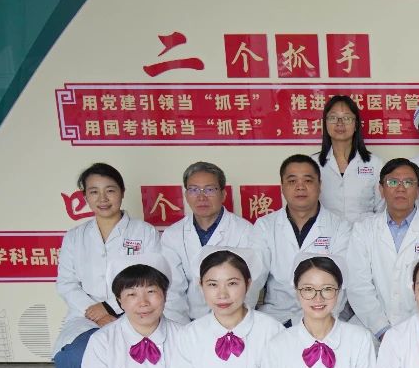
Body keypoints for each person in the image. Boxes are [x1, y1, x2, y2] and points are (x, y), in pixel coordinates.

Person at [44, 163, 160, 368]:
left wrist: (113, 308)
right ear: (85, 196)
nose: (103, 198)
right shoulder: (75, 236)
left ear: (122, 192)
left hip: (131, 314)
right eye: (94, 192)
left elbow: (150, 277)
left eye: (110, 190)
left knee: (102, 360)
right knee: (73, 356)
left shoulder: (144, 232)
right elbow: (66, 283)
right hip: (84, 315)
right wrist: (95, 311)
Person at [345, 158, 419, 337]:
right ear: (381, 189)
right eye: (393, 182)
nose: (401, 188)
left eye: (408, 182)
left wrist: (415, 330)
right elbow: (358, 285)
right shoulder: (363, 230)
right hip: (371, 331)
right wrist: (382, 330)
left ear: (418, 190)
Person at [253, 154, 351, 326]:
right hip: (276, 317)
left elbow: (342, 283)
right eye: (292, 181)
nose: (300, 187)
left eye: (308, 180)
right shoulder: (265, 226)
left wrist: (320, 322)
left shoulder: (340, 227)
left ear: (320, 185)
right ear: (282, 187)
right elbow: (253, 278)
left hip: (325, 316)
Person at [160, 161, 263, 325]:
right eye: (194, 190)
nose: (201, 197)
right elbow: (172, 290)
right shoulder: (173, 235)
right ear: (186, 195)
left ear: (223, 194)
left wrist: (229, 325)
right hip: (187, 324)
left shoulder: (245, 231)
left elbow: (251, 286)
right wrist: (183, 329)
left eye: (209, 189)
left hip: (233, 322)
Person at [317, 94, 383, 223]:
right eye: (333, 117)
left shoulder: (375, 164)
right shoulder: (313, 164)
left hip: (364, 234)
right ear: (325, 124)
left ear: (356, 124)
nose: (339, 123)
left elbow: (381, 208)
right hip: (326, 234)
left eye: (346, 118)